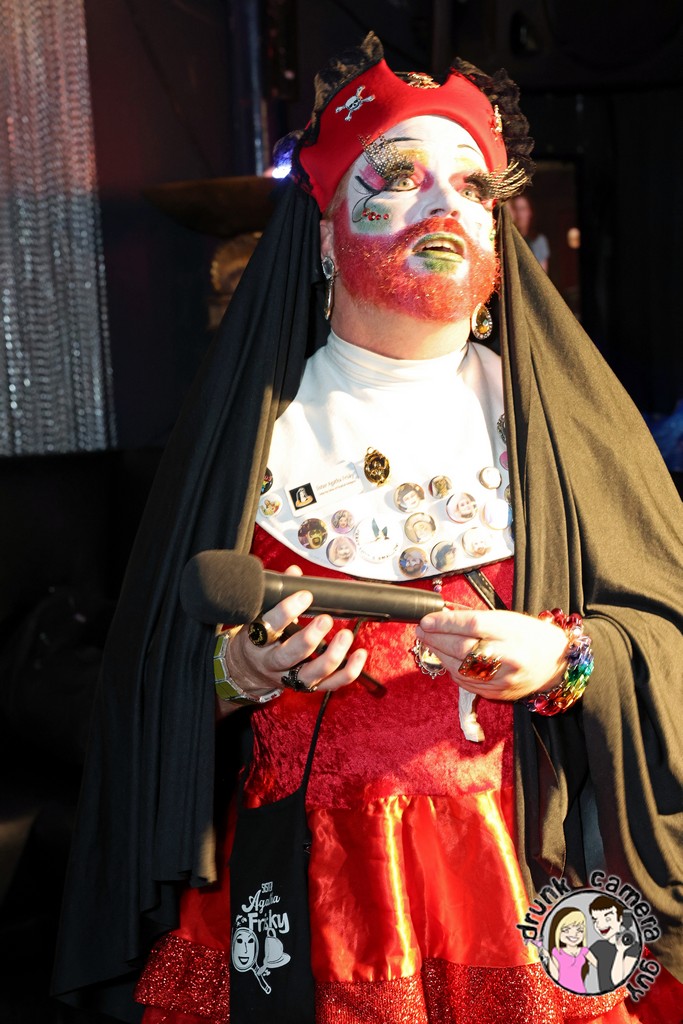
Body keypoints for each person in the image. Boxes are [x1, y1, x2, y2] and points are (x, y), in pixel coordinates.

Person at [53, 33, 683, 1024]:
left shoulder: (567, 433)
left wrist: (562, 657)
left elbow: (666, 642)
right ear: (320, 235)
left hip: (521, 878)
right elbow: (140, 689)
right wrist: (235, 674)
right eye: (396, 177)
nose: (441, 206)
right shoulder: (244, 438)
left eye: (469, 185)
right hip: (296, 891)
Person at [589, 896, 641, 992]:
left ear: (620, 918)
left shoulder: (633, 947)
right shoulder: (598, 946)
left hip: (623, 999)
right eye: (595, 920)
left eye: (608, 919)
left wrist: (620, 951)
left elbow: (618, 982)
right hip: (603, 998)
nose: (600, 925)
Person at [544, 907, 597, 994]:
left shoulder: (584, 951)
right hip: (561, 992)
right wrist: (548, 957)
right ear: (557, 931)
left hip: (580, 991)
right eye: (566, 930)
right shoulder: (557, 952)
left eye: (580, 930)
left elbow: (600, 966)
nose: (574, 934)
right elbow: (555, 976)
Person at [508, 194, 550, 272]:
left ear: (530, 212)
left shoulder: (539, 240)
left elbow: (542, 273)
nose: (519, 214)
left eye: (522, 209)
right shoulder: (509, 240)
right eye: (516, 209)